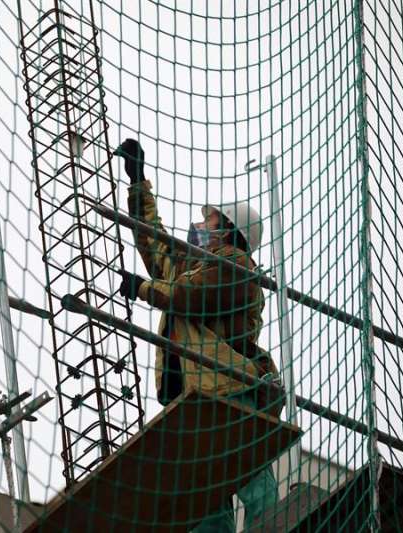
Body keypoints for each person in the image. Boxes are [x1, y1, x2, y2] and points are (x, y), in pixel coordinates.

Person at [114, 138, 282, 532]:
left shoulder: (235, 264)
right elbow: (154, 241)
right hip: (191, 396)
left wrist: (140, 287)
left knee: (250, 477)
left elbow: (186, 297)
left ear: (227, 231)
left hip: (226, 389)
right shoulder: (195, 266)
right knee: (204, 501)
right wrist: (139, 183)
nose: (199, 225)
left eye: (209, 221)